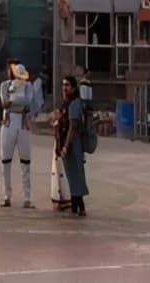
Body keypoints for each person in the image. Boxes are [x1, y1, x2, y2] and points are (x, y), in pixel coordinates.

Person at [0, 60, 34, 209]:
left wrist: (16, 102)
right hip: (9, 123)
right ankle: (7, 196)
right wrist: (17, 102)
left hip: (23, 123)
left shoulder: (28, 86)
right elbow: (5, 102)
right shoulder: (5, 86)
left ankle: (27, 197)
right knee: (6, 161)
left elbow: (28, 102)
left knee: (25, 162)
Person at [56, 76, 88, 216]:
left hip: (73, 144)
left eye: (67, 85)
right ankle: (77, 206)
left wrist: (66, 146)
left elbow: (72, 127)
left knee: (76, 175)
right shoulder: (66, 103)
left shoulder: (74, 104)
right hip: (66, 142)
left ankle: (79, 206)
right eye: (63, 85)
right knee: (72, 175)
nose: (65, 88)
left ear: (74, 88)